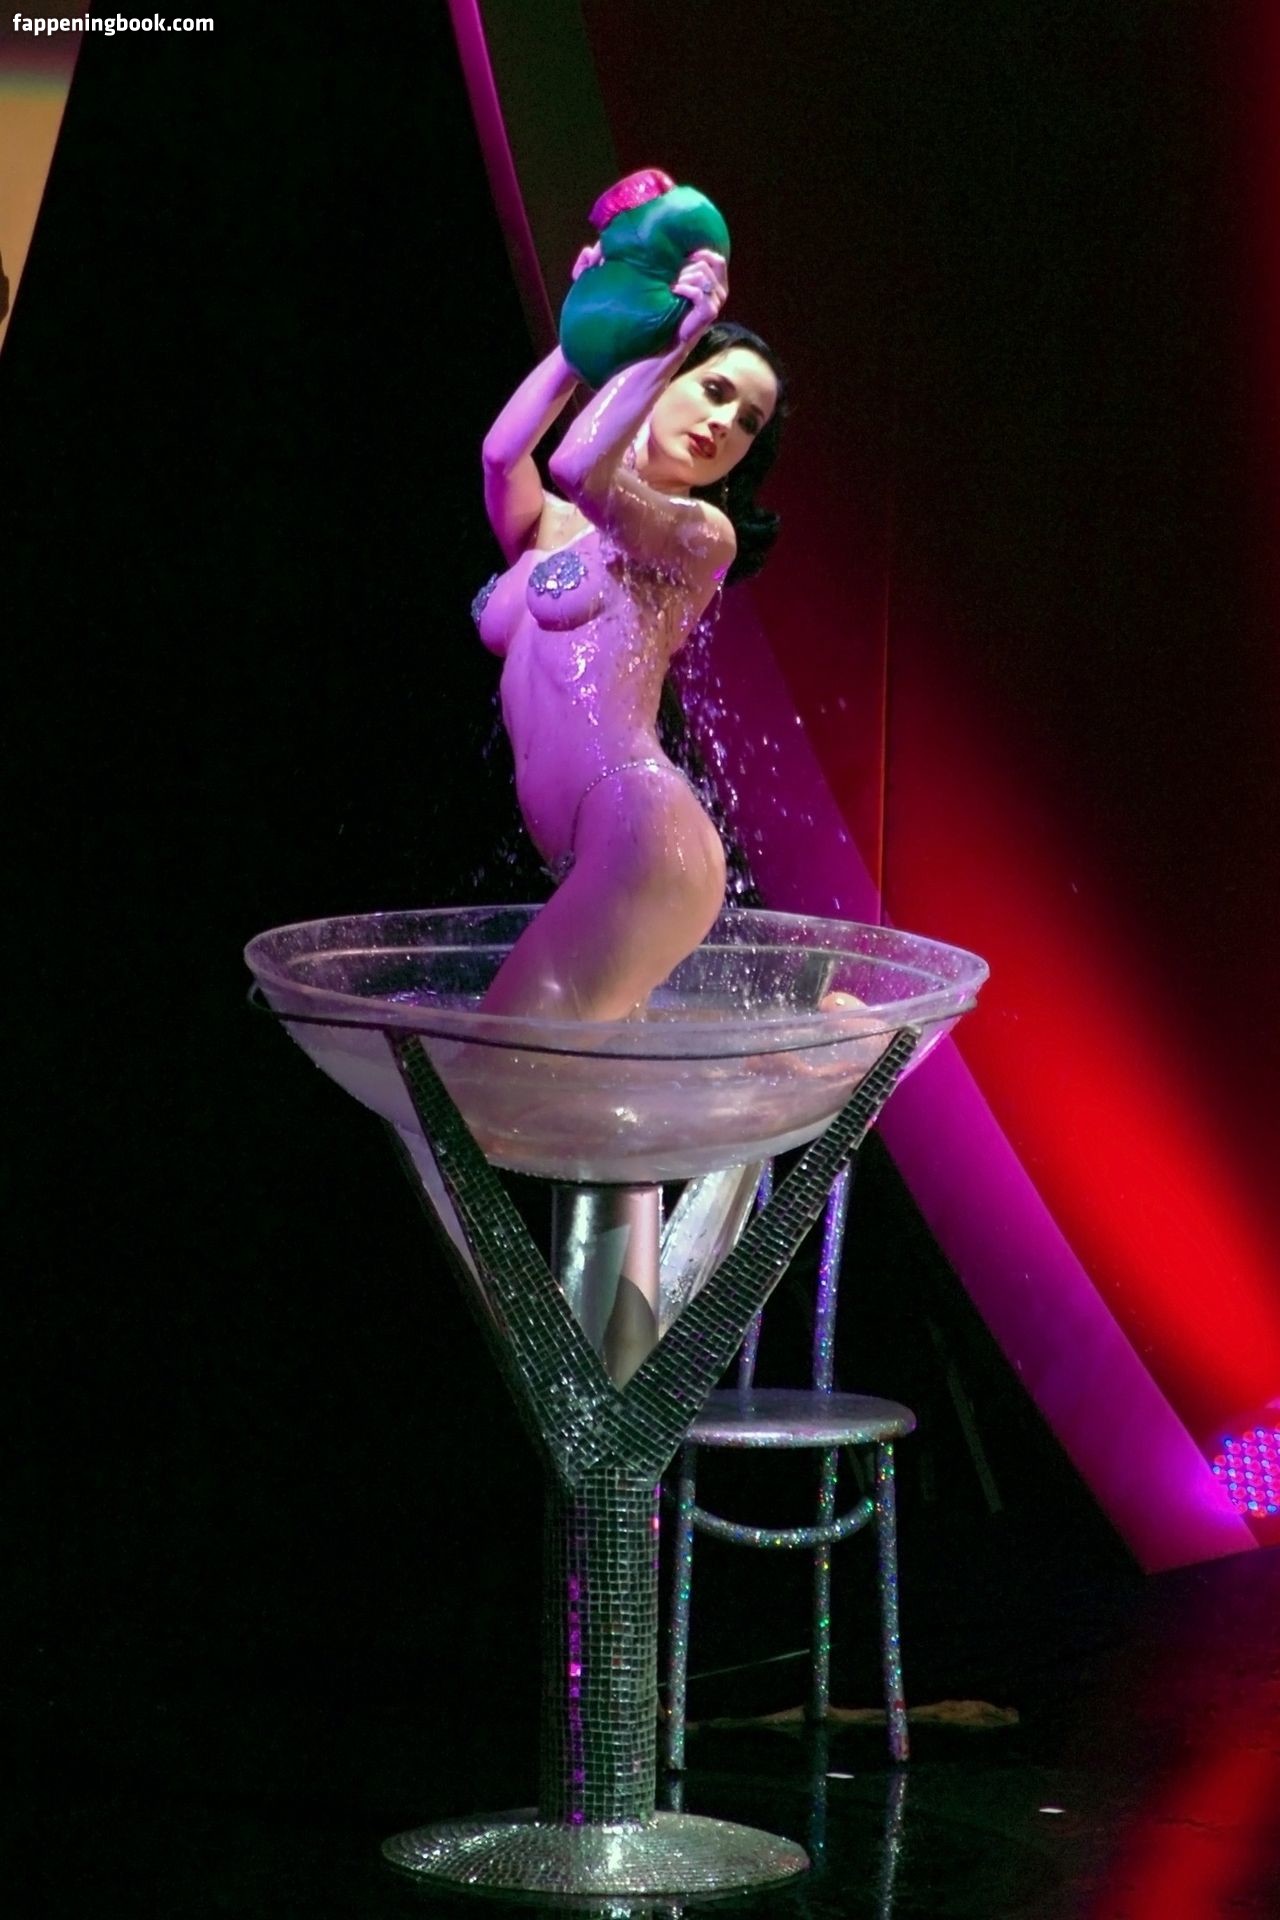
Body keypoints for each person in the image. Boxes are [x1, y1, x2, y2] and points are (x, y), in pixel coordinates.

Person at [473, 244, 785, 1021]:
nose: (725, 423)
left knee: (493, 1070)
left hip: (643, 837)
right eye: (714, 389)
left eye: (748, 422)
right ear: (662, 383)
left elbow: (580, 465)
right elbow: (502, 456)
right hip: (596, 853)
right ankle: (813, 1046)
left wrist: (674, 336)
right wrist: (582, 333)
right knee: (553, 1084)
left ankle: (824, 1049)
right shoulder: (550, 528)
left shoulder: (700, 537)